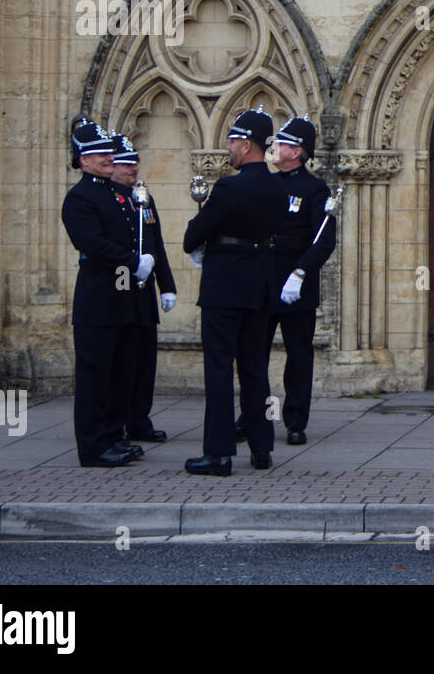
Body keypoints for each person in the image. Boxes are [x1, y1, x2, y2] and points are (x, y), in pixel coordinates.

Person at [183, 107, 287, 476]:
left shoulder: (229, 186)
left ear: (246, 144)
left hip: (225, 285)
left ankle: (218, 453)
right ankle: (262, 448)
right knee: (256, 368)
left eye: (232, 140)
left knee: (219, 369)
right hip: (259, 285)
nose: (228, 147)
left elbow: (193, 236)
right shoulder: (278, 187)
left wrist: (200, 232)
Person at [60, 118, 151, 468]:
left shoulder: (117, 194)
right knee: (95, 376)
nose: (108, 158)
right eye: (99, 155)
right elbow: (94, 245)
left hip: (122, 296)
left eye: (108, 153)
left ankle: (115, 435)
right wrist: (131, 260)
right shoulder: (80, 198)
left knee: (120, 372)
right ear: (83, 160)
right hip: (98, 299)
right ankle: (93, 446)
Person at [248, 114, 335, 446]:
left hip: (295, 283)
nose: (276, 147)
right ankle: (256, 417)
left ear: (298, 152)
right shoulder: (265, 183)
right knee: (255, 354)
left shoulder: (314, 188)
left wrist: (300, 273)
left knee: (298, 356)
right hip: (263, 278)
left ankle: (295, 421)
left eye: (283, 144)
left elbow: (323, 240)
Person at [109, 133, 176, 444]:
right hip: (119, 286)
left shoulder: (142, 199)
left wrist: (167, 286)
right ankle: (118, 420)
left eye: (134, 161)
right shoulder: (108, 199)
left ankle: (139, 419)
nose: (132, 168)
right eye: (125, 163)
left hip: (143, 290)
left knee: (145, 359)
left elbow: (155, 243)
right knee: (122, 361)